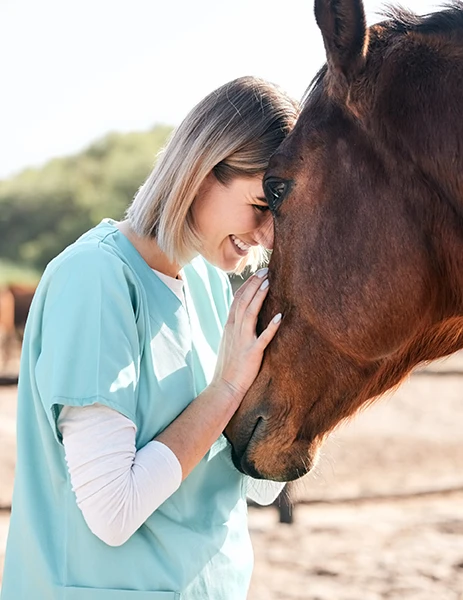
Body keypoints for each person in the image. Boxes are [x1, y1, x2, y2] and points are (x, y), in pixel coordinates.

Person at [1, 76, 299, 600]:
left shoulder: (209, 283)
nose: (267, 235)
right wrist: (226, 390)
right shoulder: (96, 280)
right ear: (204, 170)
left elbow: (254, 485)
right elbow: (114, 511)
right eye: (259, 206)